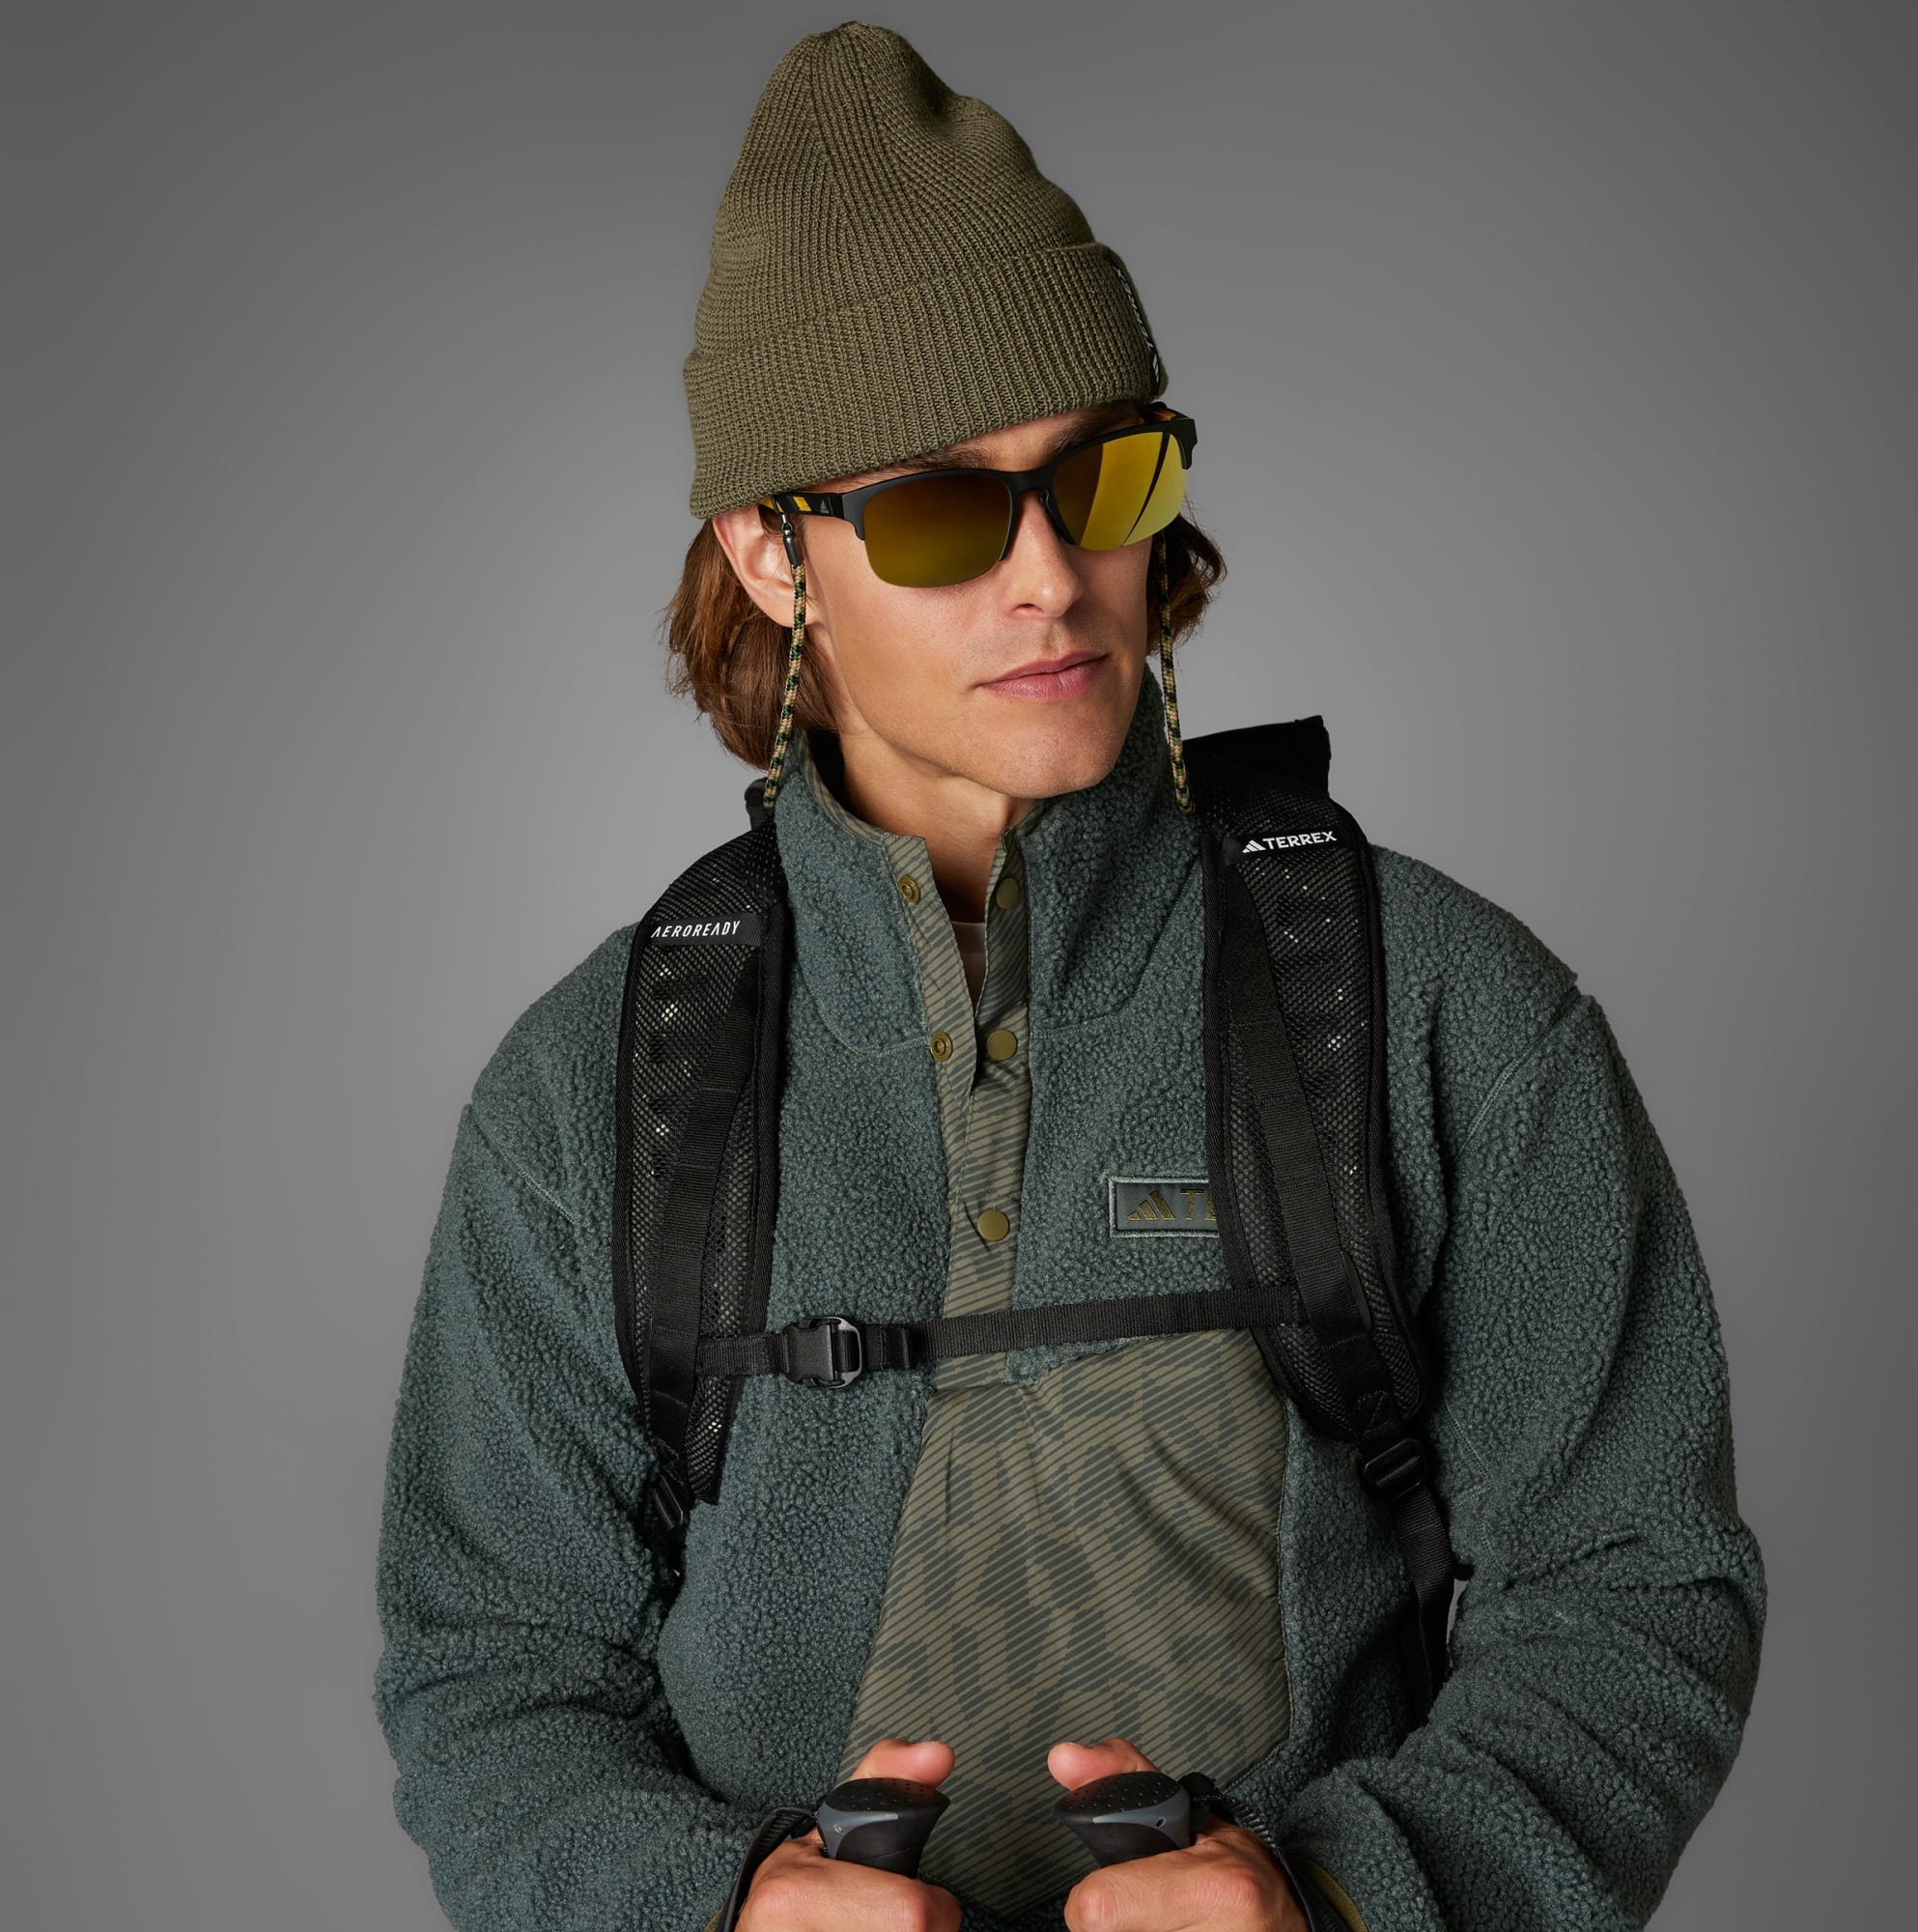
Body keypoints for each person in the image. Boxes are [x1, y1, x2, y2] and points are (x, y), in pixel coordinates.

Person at [372, 21, 1766, 1932]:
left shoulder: (1441, 1008)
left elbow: (1634, 1589)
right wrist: (712, 1910)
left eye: (1099, 478)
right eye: (946, 510)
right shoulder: (591, 1093)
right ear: (770, 555)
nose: (1048, 575)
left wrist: (1351, 1901)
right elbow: (493, 1668)